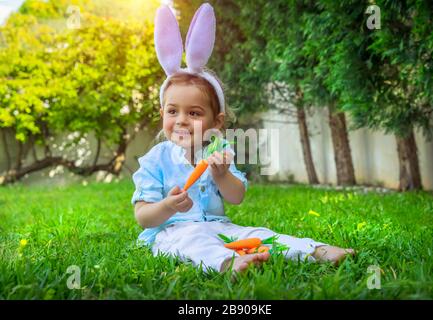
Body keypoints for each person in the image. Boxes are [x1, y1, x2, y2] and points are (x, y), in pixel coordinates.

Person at [131, 3, 354, 274]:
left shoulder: (219, 151)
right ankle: (227, 263)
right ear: (162, 113)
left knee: (257, 234)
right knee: (192, 242)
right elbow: (143, 218)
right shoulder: (156, 159)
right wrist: (166, 206)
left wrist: (223, 175)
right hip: (173, 232)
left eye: (194, 113)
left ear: (217, 122)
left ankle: (315, 251)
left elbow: (236, 198)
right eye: (172, 111)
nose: (181, 120)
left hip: (220, 227)